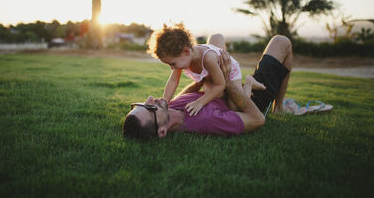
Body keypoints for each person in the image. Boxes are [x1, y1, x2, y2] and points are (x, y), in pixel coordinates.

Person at [123, 35, 293, 139]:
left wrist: (205, 72)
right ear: (162, 131)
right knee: (282, 41)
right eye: (149, 107)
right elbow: (257, 120)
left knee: (215, 39)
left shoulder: (168, 108)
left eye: (142, 102)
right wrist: (226, 81)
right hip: (249, 102)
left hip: (223, 87)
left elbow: (184, 93)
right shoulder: (207, 121)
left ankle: (236, 78)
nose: (151, 99)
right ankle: (277, 107)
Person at [147, 23, 265, 116]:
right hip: (211, 75)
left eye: (172, 63)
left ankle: (249, 83)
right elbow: (173, 81)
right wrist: (165, 102)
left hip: (229, 72)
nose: (172, 68)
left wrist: (200, 102)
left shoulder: (207, 59)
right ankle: (245, 85)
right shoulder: (183, 57)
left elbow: (220, 85)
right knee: (215, 96)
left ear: (186, 51)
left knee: (235, 107)